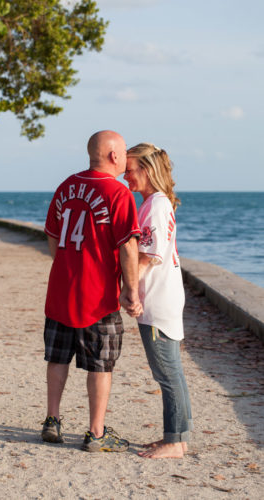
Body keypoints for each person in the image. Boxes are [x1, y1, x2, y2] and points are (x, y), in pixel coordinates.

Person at [42, 130, 142, 452]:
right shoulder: (118, 193)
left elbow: (52, 236)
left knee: (58, 358)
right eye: (125, 153)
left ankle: (52, 421)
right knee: (101, 364)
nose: (127, 161)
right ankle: (96, 433)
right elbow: (128, 247)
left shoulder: (65, 187)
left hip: (61, 292)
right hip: (98, 298)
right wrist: (131, 289)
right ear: (114, 156)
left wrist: (68, 267)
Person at [124, 142, 193, 459]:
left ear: (147, 170)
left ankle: (175, 442)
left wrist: (130, 292)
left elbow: (147, 258)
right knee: (172, 371)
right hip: (165, 295)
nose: (126, 176)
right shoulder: (159, 203)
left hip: (157, 299)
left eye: (130, 170)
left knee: (166, 373)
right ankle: (177, 436)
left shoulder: (153, 206)